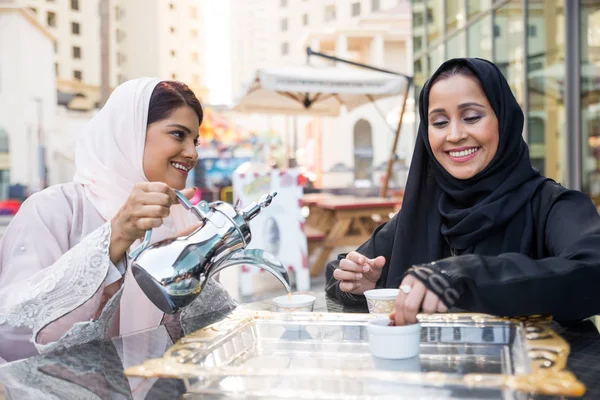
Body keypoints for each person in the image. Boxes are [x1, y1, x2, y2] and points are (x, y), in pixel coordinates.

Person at [326, 58, 600, 326]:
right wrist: (362, 282)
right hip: (424, 371)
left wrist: (464, 275)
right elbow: (338, 272)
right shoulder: (419, 214)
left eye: (471, 117)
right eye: (440, 122)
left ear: (504, 120)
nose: (455, 135)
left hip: (535, 369)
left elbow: (592, 270)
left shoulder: (552, 206)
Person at [0, 78, 236, 363]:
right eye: (178, 134)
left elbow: (202, 336)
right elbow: (13, 334)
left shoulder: (183, 221)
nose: (193, 153)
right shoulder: (54, 209)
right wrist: (115, 237)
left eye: (195, 140)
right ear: (130, 133)